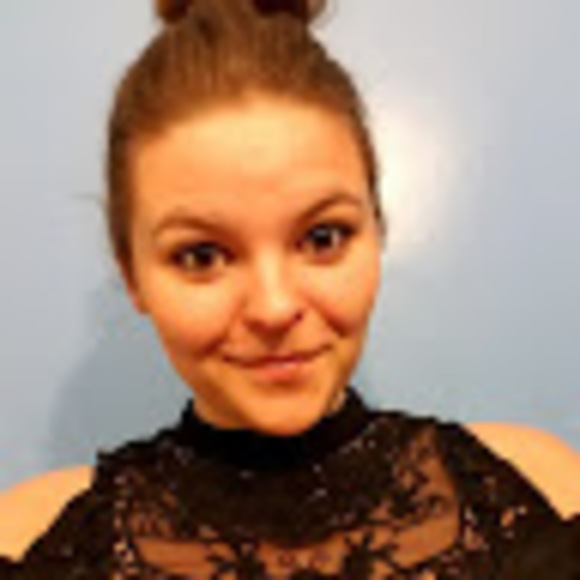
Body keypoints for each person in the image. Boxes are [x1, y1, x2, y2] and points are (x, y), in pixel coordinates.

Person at [0, 0, 579, 577]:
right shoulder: (31, 542)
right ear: (133, 277)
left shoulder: (542, 496)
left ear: (377, 232)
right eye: (202, 256)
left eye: (323, 238)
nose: (274, 308)